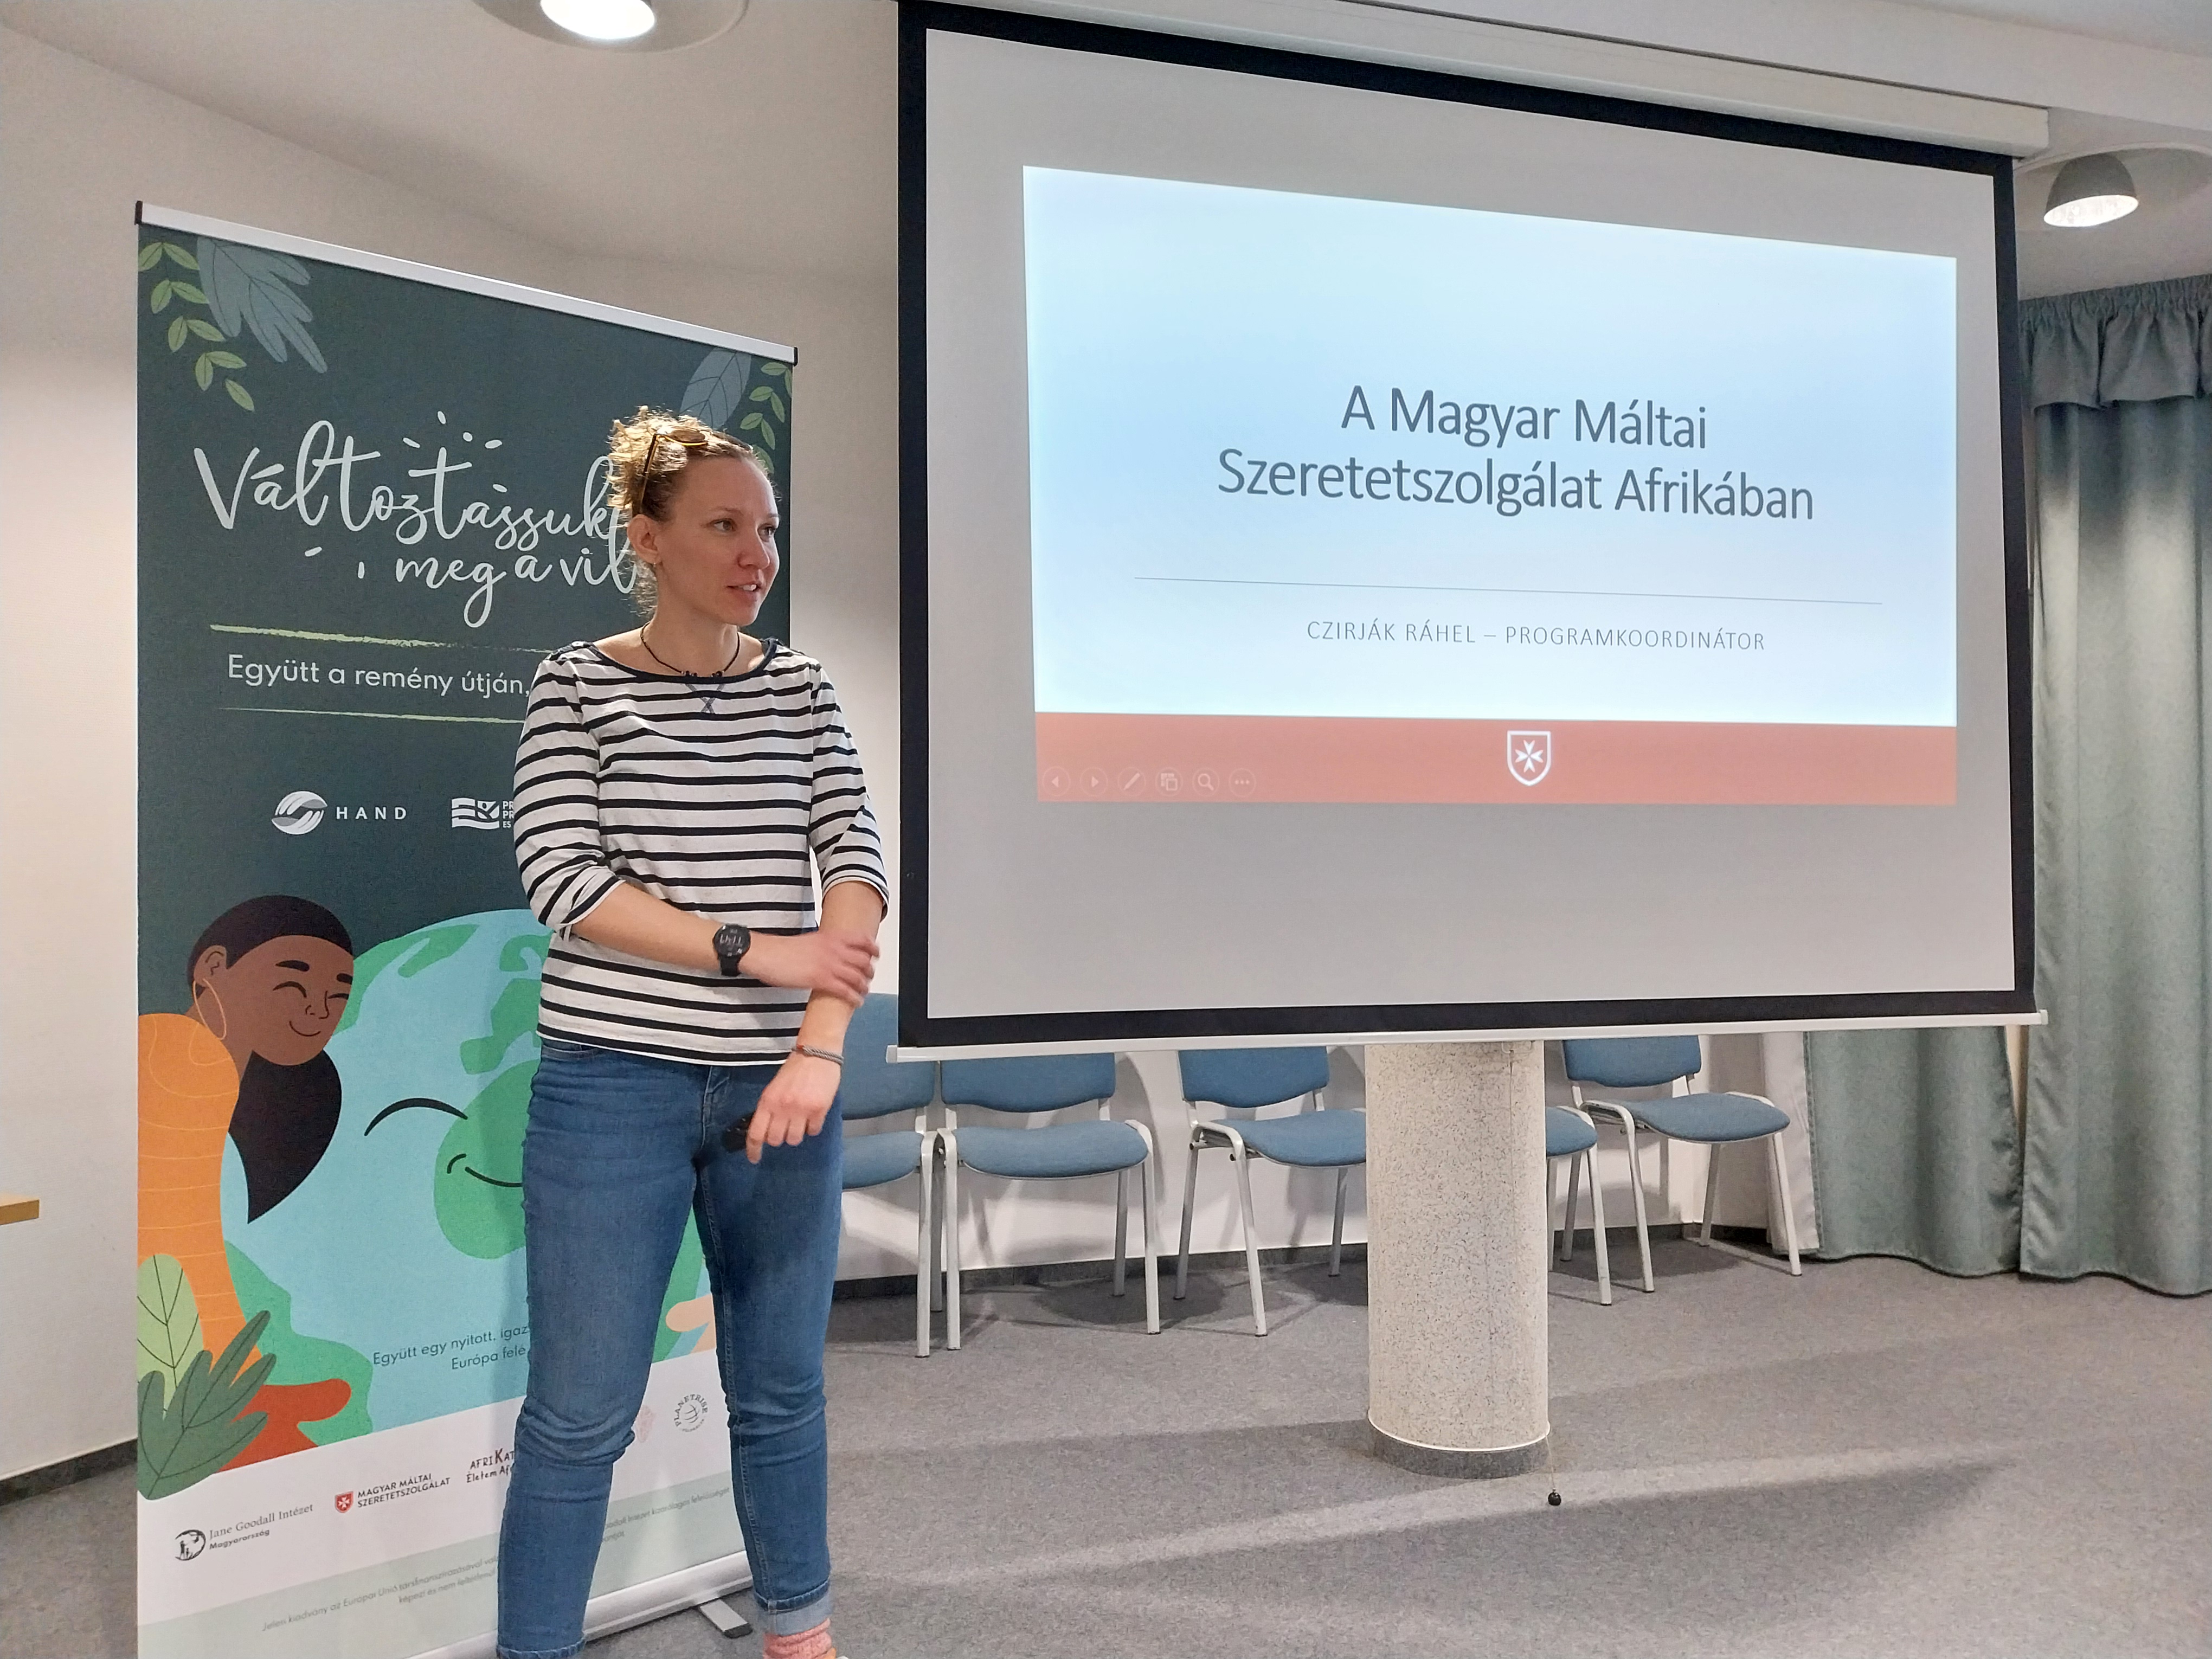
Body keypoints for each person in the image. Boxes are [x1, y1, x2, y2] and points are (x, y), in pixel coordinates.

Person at [498, 408, 885, 1659]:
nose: (755, 553)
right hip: (611, 1086)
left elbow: (858, 864)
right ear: (648, 538)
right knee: (580, 1416)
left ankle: (800, 1634)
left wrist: (819, 1045)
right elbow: (563, 878)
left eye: (766, 528)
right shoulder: (576, 684)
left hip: (783, 1086)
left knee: (782, 1394)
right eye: (724, 525)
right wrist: (757, 950)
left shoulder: (802, 689)